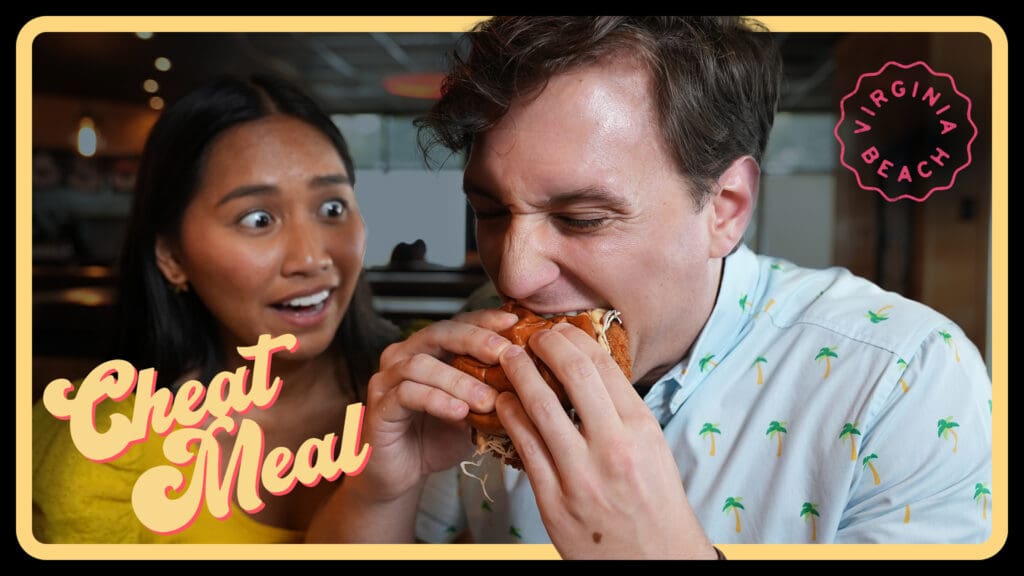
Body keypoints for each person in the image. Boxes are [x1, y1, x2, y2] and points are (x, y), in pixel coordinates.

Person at [307, 17, 992, 556]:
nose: (513, 274)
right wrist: (382, 488)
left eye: (582, 218)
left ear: (724, 207)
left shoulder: (906, 379)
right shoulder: (477, 335)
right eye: (489, 212)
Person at [33, 75, 400, 543]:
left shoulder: (431, 392)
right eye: (258, 219)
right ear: (172, 256)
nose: (312, 258)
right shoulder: (95, 447)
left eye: (332, 208)